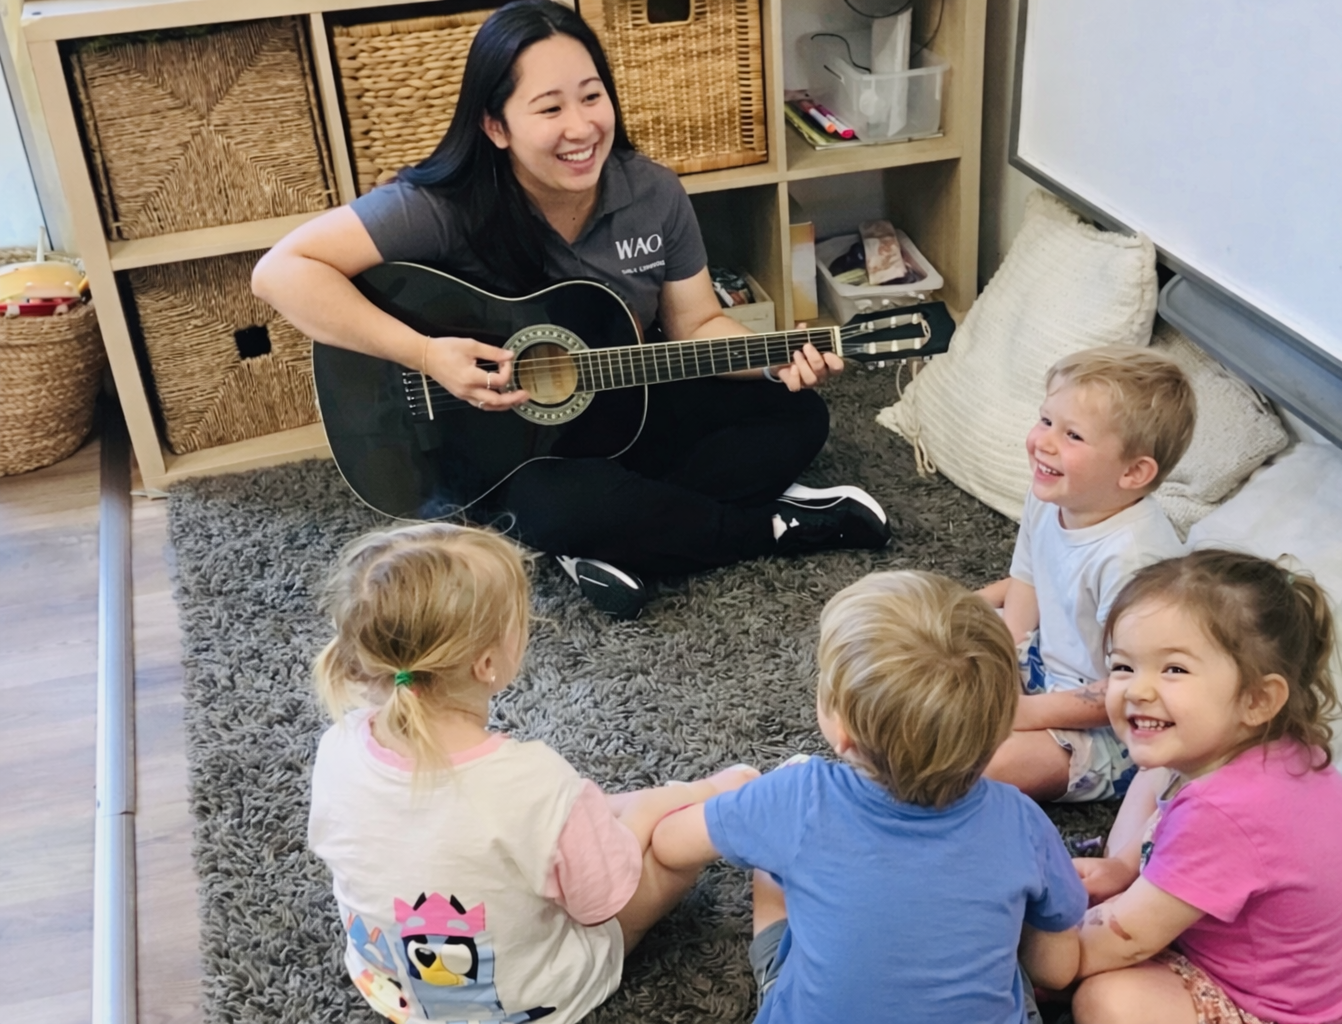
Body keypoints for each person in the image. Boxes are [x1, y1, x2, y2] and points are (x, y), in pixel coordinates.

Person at [253, 0, 889, 621]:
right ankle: (770, 528)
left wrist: (780, 362)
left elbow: (695, 325)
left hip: (627, 408)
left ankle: (616, 541)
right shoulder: (440, 206)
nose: (581, 127)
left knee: (798, 416)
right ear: (495, 126)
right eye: (549, 108)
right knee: (561, 510)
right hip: (512, 450)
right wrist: (424, 354)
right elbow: (280, 273)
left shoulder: (652, 193)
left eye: (592, 97)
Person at [306, 522, 759, 1024]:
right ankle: (718, 798)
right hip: (529, 1002)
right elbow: (605, 901)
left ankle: (661, 803)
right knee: (665, 854)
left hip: (387, 984)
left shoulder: (339, 745)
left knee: (574, 821)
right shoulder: (530, 782)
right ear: (486, 664)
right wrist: (655, 806)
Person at [649, 570, 1089, 1024]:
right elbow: (1055, 970)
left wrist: (737, 799)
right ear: (1000, 730)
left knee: (772, 855)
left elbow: (668, 842)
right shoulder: (1021, 821)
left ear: (842, 732)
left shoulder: (797, 797)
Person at [1038, 549, 1342, 1024]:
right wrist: (1122, 867)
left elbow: (1116, 944)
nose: (1137, 690)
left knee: (1107, 1000)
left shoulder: (1225, 813)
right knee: (1155, 763)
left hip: (1279, 1011)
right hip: (1306, 982)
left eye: (1174, 669)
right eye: (1123, 666)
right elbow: (1157, 777)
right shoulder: (1272, 752)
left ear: (1258, 699)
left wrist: (1034, 941)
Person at [978, 346, 1195, 802]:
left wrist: (1018, 713)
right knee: (917, 650)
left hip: (1113, 722)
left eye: (1073, 436)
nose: (1045, 442)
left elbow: (1133, 689)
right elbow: (1027, 580)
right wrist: (1003, 658)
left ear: (1134, 472)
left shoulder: (1134, 560)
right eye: (1045, 420)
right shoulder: (1050, 491)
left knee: (980, 763)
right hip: (1042, 663)